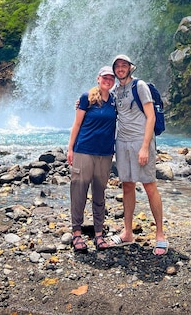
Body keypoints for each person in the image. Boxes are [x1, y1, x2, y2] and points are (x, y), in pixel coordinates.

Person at [110, 54, 168, 256]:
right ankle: (127, 232)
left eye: (124, 65)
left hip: (140, 141)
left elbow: (151, 116)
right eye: (117, 66)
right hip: (122, 142)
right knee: (127, 185)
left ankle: (160, 234)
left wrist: (145, 147)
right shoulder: (115, 90)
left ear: (130, 68)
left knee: (150, 185)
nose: (120, 69)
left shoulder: (139, 86)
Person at [67, 66, 116, 253]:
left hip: (105, 153)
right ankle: (77, 233)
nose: (108, 80)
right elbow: (77, 124)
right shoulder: (87, 97)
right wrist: (70, 148)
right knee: (79, 191)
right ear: (98, 78)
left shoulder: (115, 100)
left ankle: (98, 233)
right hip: (84, 150)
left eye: (111, 78)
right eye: (105, 77)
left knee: (99, 193)